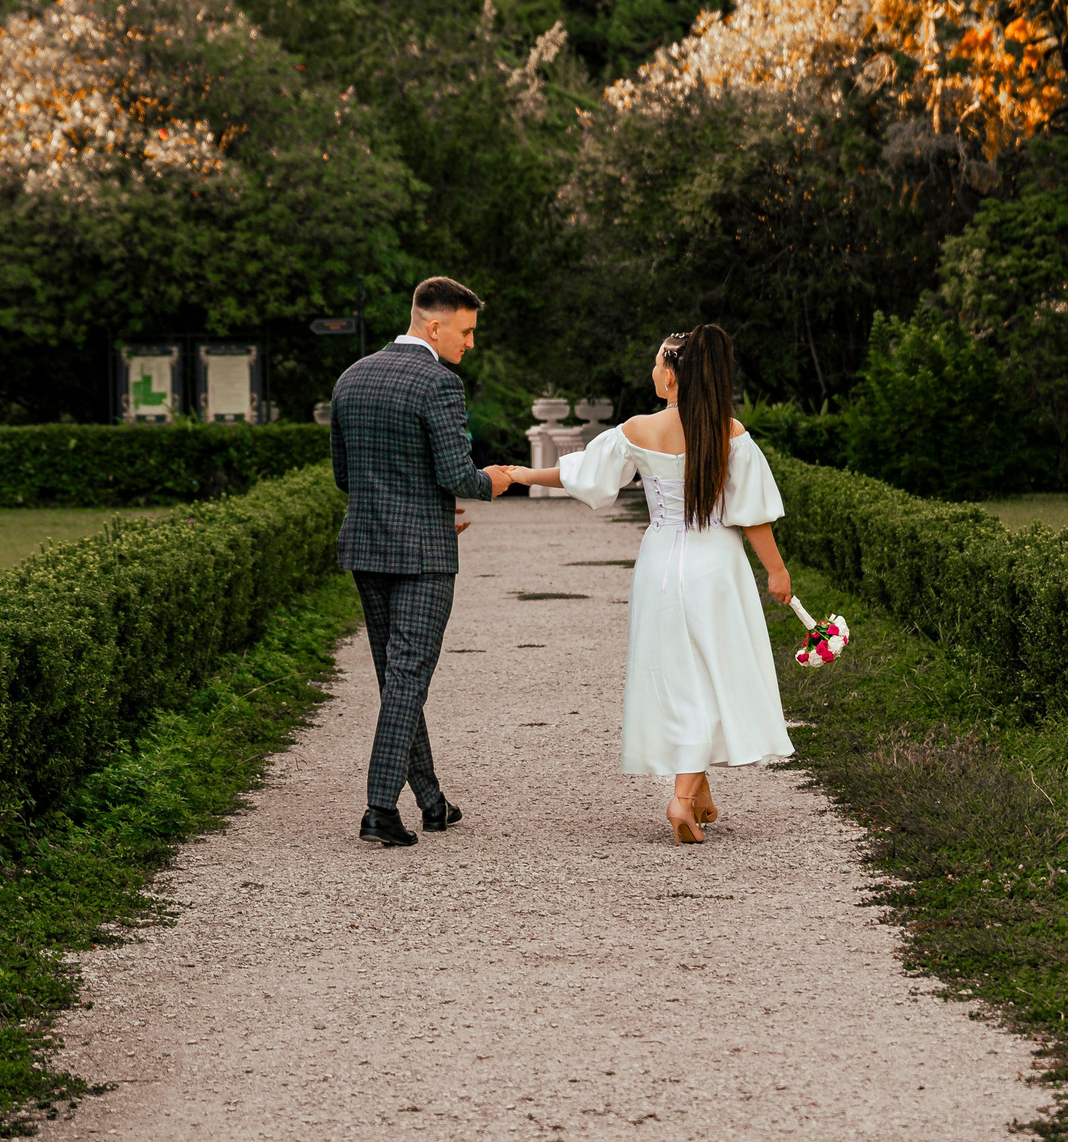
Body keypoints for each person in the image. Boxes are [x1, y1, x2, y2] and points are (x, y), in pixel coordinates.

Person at [497, 325, 795, 844]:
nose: (654, 370)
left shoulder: (638, 429)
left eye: (660, 362)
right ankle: (684, 796)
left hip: (660, 562)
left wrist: (521, 474)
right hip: (715, 564)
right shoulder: (730, 433)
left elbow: (582, 476)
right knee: (711, 674)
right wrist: (776, 570)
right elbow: (753, 517)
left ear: (676, 375)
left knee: (679, 674)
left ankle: (695, 790)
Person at [331, 276, 503, 847]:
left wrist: (428, 508)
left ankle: (431, 802)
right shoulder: (439, 383)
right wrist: (495, 480)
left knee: (397, 678)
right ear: (434, 325)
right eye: (466, 330)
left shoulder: (350, 378)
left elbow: (345, 478)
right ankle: (380, 808)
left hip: (367, 546)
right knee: (408, 678)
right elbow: (458, 475)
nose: (469, 343)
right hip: (423, 557)